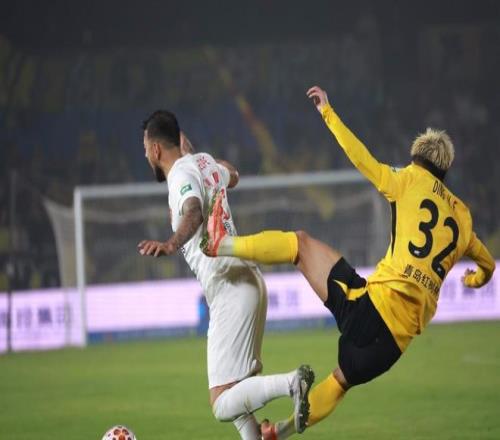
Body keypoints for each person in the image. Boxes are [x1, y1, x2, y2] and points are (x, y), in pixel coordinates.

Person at [201, 86, 496, 439]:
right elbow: (487, 262)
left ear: (416, 158)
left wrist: (328, 112)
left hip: (371, 311)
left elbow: (361, 157)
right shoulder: (463, 219)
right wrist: (476, 279)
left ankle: (222, 243)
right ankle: (277, 432)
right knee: (339, 382)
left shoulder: (408, 179)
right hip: (392, 347)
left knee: (300, 244)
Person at [137, 110, 315, 440]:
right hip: (246, 279)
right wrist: (197, 159)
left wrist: (171, 243)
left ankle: (292, 383)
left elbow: (193, 210)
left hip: (228, 286)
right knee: (234, 392)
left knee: (221, 403)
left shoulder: (180, 176)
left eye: (145, 148)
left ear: (156, 149)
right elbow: (233, 175)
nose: (146, 155)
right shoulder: (202, 163)